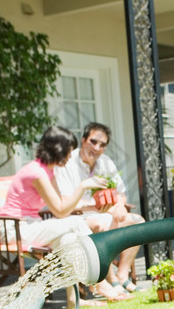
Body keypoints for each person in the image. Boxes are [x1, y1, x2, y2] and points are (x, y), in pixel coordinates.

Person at [0, 125, 121, 306]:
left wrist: (90, 204)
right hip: (14, 229)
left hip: (31, 225)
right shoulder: (36, 172)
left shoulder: (49, 171)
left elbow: (63, 207)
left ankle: (73, 300)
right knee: (74, 223)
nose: (71, 155)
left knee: (69, 240)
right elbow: (60, 211)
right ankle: (101, 280)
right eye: (69, 151)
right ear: (59, 150)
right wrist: (83, 186)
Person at [55, 122, 145, 294]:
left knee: (138, 223)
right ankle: (108, 279)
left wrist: (119, 206)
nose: (97, 148)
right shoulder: (68, 162)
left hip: (108, 214)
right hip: (78, 218)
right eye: (93, 141)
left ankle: (122, 276)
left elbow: (121, 194)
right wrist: (96, 208)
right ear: (83, 140)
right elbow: (65, 201)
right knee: (102, 224)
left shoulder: (105, 162)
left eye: (102, 145)